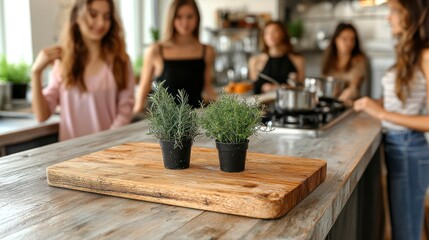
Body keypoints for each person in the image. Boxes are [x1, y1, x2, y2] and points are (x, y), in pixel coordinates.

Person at [354, 0, 429, 239]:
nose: (389, 17)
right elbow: (399, 100)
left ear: (412, 15)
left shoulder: (426, 55)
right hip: (399, 146)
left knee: (406, 233)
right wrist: (368, 103)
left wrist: (380, 113)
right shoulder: (409, 52)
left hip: (409, 148)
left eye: (394, 10)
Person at [31, 0, 134, 141]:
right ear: (77, 17)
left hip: (107, 153)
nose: (101, 23)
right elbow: (42, 115)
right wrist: (36, 74)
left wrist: (104, 146)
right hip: (70, 156)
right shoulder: (63, 61)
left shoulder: (121, 61)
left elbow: (124, 111)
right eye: (93, 14)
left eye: (107, 16)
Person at [133, 0, 216, 112]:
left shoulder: (207, 51)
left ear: (197, 18)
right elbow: (144, 88)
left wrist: (224, 107)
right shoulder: (156, 50)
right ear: (171, 18)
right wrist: (135, 114)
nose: (185, 22)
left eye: (190, 16)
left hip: (195, 120)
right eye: (179, 17)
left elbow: (208, 88)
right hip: (162, 124)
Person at [248, 20, 305, 94]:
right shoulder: (255, 61)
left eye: (275, 32)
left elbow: (301, 87)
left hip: (288, 103)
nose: (270, 36)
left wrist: (278, 87)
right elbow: (253, 88)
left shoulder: (298, 59)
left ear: (283, 34)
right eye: (267, 33)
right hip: (262, 104)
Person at [321, 22, 367, 105]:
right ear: (336, 39)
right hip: (329, 101)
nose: (349, 43)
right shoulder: (329, 58)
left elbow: (353, 88)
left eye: (352, 39)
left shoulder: (359, 60)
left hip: (350, 104)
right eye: (344, 39)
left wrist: (338, 101)